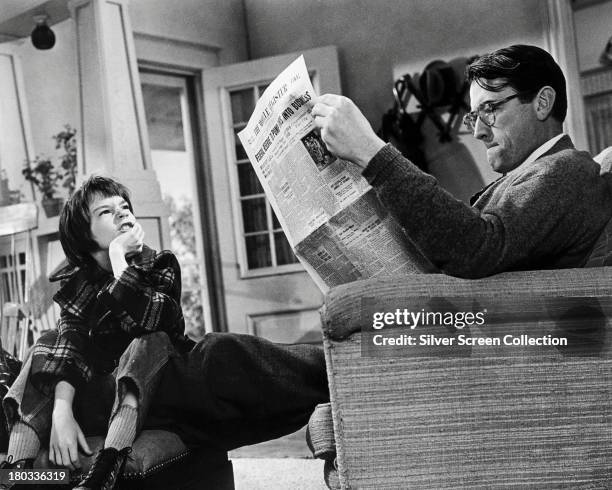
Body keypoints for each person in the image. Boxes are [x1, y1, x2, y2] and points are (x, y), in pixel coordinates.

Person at [0, 176, 328, 490]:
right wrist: (61, 412)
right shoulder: (78, 286)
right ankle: (14, 475)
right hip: (99, 394)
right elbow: (67, 346)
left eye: (124, 206)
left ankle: (330, 370)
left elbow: (157, 323)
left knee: (206, 348)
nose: (122, 212)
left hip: (158, 387)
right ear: (84, 237)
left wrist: (118, 259)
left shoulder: (160, 265)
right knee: (46, 345)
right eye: (106, 211)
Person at [311, 44, 612, 278]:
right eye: (473, 116)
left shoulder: (565, 170)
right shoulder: (536, 174)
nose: (479, 132)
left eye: (490, 109)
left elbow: (477, 248)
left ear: (542, 102)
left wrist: (372, 153)